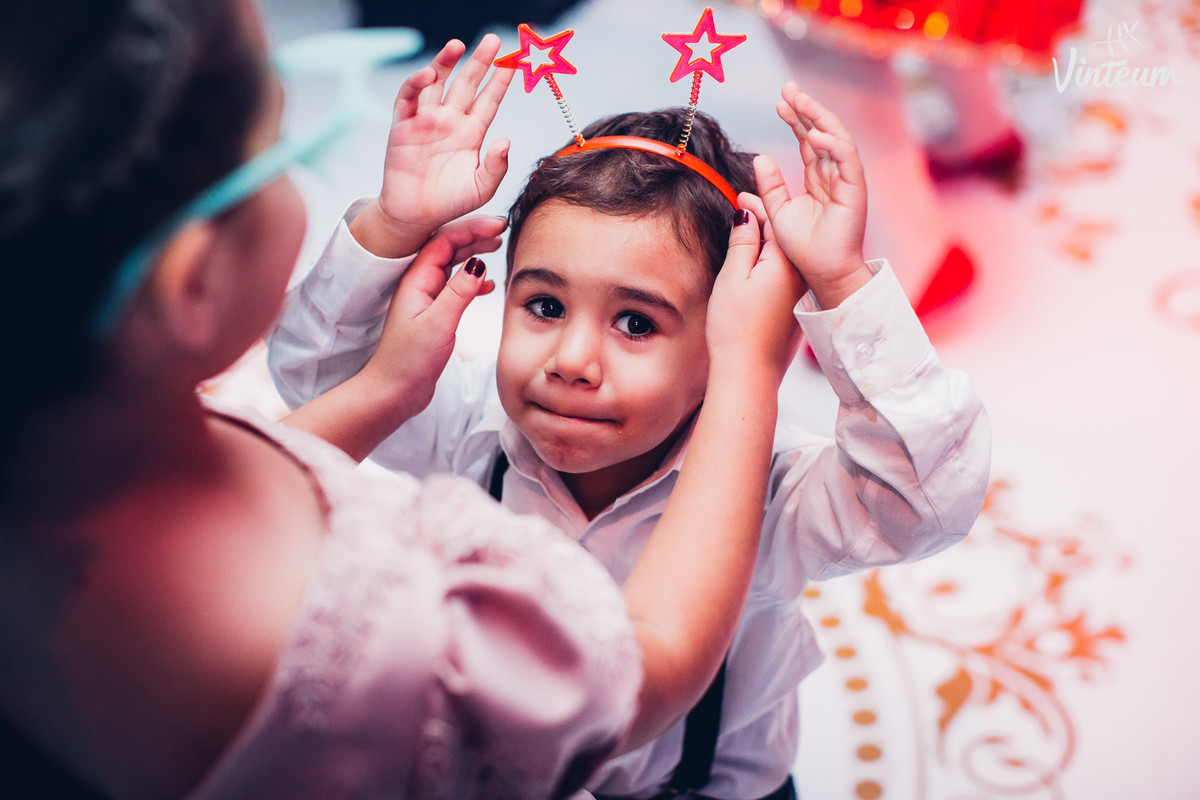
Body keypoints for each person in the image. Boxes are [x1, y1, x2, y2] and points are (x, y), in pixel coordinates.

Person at [0, 2, 807, 797]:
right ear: (195, 279)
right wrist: (746, 366)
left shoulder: (77, 459)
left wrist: (385, 384)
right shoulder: (402, 634)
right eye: (280, 150)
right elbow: (645, 664)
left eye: (634, 321)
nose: (572, 360)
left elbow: (283, 448)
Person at [267, 26, 993, 800]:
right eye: (544, 305)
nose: (572, 361)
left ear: (726, 338)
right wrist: (392, 225)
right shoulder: (468, 429)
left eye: (637, 323)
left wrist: (844, 287)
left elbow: (927, 496)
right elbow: (320, 381)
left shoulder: (772, 486)